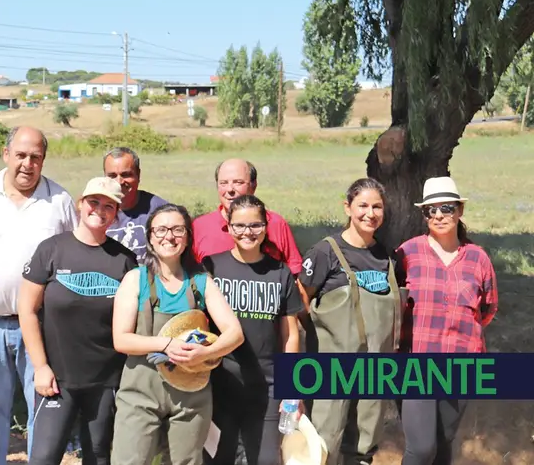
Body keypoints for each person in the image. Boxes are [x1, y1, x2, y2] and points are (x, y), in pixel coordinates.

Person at [0, 126, 78, 464]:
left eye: (35, 157)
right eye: (20, 155)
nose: (27, 163)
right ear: (6, 155)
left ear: (44, 160)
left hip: (39, 326)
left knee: (41, 404)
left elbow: (71, 256)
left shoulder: (60, 202)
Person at [110, 203, 245, 465]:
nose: (169, 236)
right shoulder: (135, 279)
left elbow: (234, 333)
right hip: (140, 392)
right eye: (161, 229)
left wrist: (205, 353)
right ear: (149, 237)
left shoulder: (201, 282)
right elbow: (122, 339)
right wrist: (167, 344)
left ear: (187, 238)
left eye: (177, 230)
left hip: (192, 395)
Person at [18, 177, 138, 465]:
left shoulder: (124, 260)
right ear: (80, 204)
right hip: (58, 378)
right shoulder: (52, 249)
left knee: (97, 455)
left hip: (106, 379)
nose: (100, 210)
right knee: (45, 456)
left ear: (116, 214)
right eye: (94, 202)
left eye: (109, 205)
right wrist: (40, 366)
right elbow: (27, 309)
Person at [297, 178, 406, 465]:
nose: (370, 213)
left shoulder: (388, 256)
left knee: (364, 442)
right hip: (332, 366)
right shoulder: (325, 252)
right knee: (325, 439)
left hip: (375, 367)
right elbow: (300, 299)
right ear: (347, 207)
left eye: (377, 207)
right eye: (363, 205)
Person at [396, 176, 497, 465]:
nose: (439, 215)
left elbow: (487, 310)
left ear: (460, 211)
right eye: (431, 210)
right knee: (421, 448)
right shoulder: (407, 253)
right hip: (416, 364)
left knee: (443, 443)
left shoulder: (478, 258)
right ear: (424, 214)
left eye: (447, 208)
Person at [202, 194, 303, 465]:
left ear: (266, 225)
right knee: (219, 458)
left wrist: (292, 386)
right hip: (220, 384)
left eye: (255, 225)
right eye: (240, 226)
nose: (248, 232)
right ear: (228, 226)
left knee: (267, 459)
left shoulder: (279, 272)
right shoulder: (211, 267)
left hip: (267, 386)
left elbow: (290, 334)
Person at [192, 158, 302, 275]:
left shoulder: (276, 223)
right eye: (223, 183)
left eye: (238, 182)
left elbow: (295, 273)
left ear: (253, 186)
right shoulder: (200, 226)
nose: (230, 189)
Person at [102, 147, 169, 264]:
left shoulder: (161, 212)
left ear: (138, 175)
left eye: (126, 174)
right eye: (112, 176)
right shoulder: (94, 212)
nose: (119, 182)